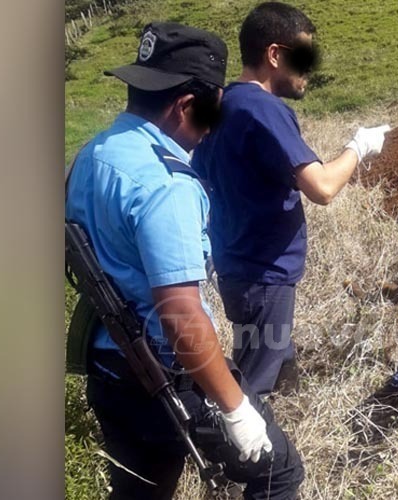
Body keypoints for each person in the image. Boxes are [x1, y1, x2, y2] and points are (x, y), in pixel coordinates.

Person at [65, 22, 303, 499]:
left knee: (141, 492)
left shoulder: (93, 156)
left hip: (107, 366)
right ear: (187, 106)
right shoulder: (167, 183)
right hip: (166, 374)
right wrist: (236, 409)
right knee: (278, 474)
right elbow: (181, 314)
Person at [192, 2, 390, 397]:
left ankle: (290, 417)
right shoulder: (263, 109)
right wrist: (359, 145)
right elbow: (322, 188)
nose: (308, 70)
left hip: (238, 265)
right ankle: (254, 452)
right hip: (263, 272)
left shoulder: (222, 105)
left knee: (276, 357)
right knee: (249, 391)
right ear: (275, 55)